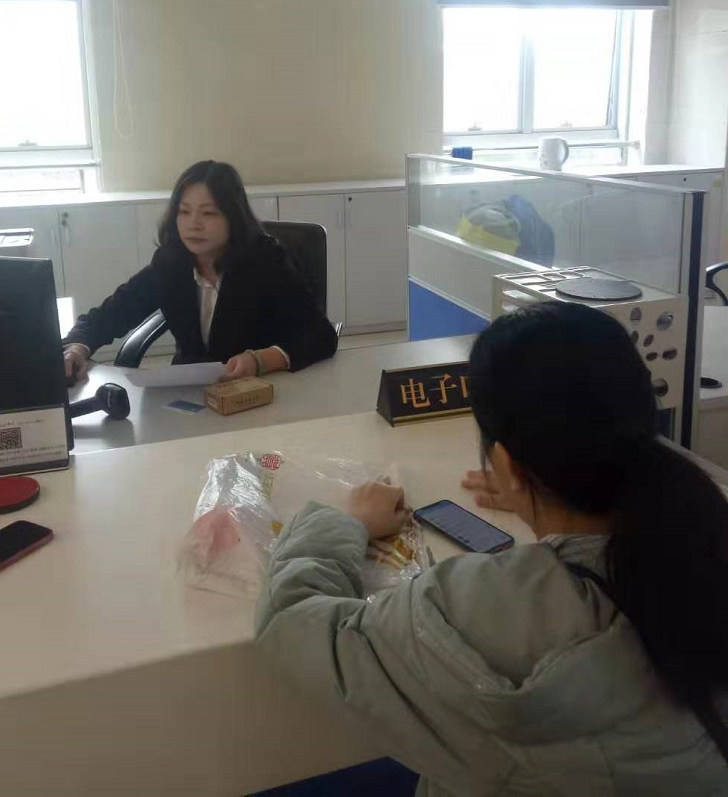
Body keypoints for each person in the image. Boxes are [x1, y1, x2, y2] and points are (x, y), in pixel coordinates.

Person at [256, 302, 728, 795]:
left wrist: (345, 522)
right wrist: (541, 495)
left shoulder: (480, 609)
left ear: (508, 464)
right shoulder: (704, 535)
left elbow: (291, 625)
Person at [62, 161, 338, 381]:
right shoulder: (171, 263)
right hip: (191, 392)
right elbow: (112, 312)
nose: (193, 224)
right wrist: (77, 347)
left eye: (208, 213)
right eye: (184, 212)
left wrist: (260, 360)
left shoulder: (265, 263)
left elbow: (321, 335)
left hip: (258, 391)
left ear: (233, 217)